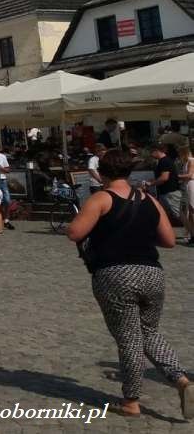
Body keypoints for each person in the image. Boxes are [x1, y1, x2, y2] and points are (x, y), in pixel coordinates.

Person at [66, 150, 193, 419]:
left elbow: (75, 232)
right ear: (129, 171)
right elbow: (169, 240)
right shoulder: (149, 199)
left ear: (101, 173)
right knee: (149, 333)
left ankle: (131, 401)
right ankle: (182, 380)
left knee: (129, 339)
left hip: (115, 274)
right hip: (152, 274)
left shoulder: (101, 198)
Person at [147, 144, 183, 223]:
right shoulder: (163, 161)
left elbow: (164, 177)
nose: (151, 155)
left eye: (151, 152)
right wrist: (153, 180)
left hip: (170, 193)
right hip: (165, 192)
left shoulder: (164, 161)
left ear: (156, 151)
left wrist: (151, 183)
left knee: (178, 215)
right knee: (164, 214)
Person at [178, 146, 194, 245]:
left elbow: (190, 175)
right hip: (187, 185)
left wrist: (177, 176)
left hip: (191, 184)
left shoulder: (191, 161)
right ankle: (192, 233)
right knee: (189, 211)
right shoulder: (187, 162)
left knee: (192, 210)